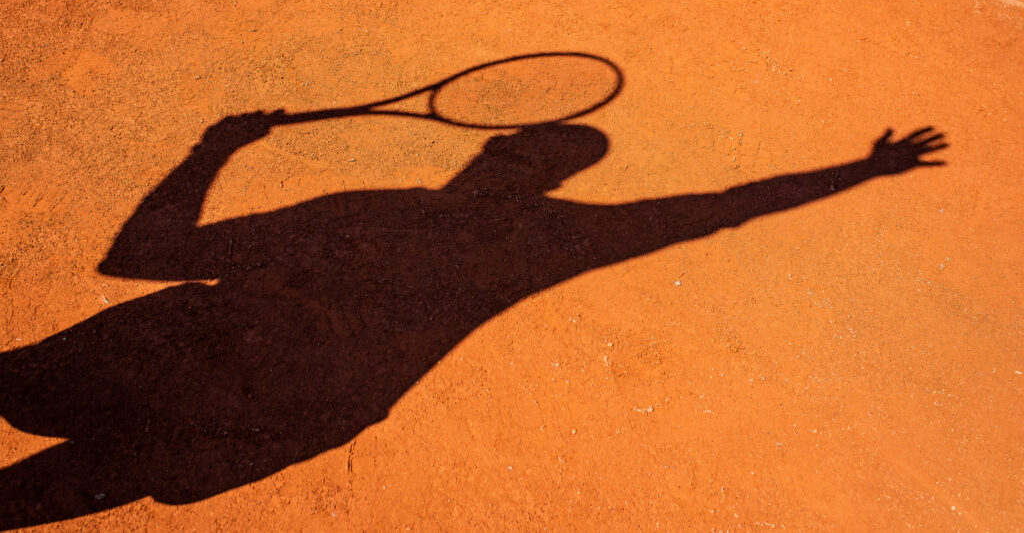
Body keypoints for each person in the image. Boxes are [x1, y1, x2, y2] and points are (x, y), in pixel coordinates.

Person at [0, 113, 946, 528]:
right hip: (289, 410)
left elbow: (140, 255)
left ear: (497, 145)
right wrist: (865, 171)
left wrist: (214, 148)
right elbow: (723, 204)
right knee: (36, 495)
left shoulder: (369, 209)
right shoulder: (555, 241)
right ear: (556, 178)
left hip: (195, 356)